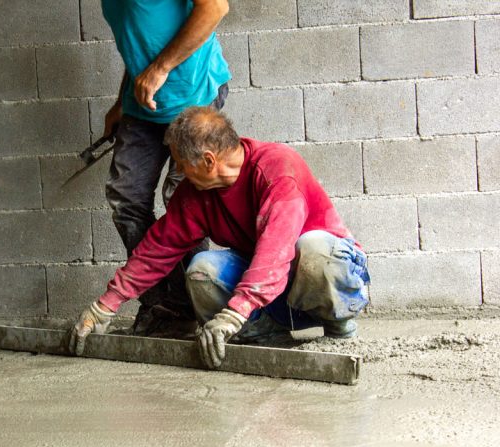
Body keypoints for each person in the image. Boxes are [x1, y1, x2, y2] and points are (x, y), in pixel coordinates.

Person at [70, 107, 371, 369]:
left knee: (313, 249)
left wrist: (233, 313)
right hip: (273, 293)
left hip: (324, 281)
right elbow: (157, 249)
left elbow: (275, 253)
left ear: (209, 160)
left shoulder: (277, 168)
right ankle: (265, 332)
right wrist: (104, 306)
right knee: (201, 270)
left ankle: (338, 324)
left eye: (181, 164)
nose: (180, 172)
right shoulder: (196, 193)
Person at [100, 0, 232, 337]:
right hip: (142, 103)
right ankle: (163, 305)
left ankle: (193, 306)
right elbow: (143, 38)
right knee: (126, 198)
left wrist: (160, 68)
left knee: (183, 200)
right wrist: (121, 101)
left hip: (192, 92)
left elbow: (215, 8)